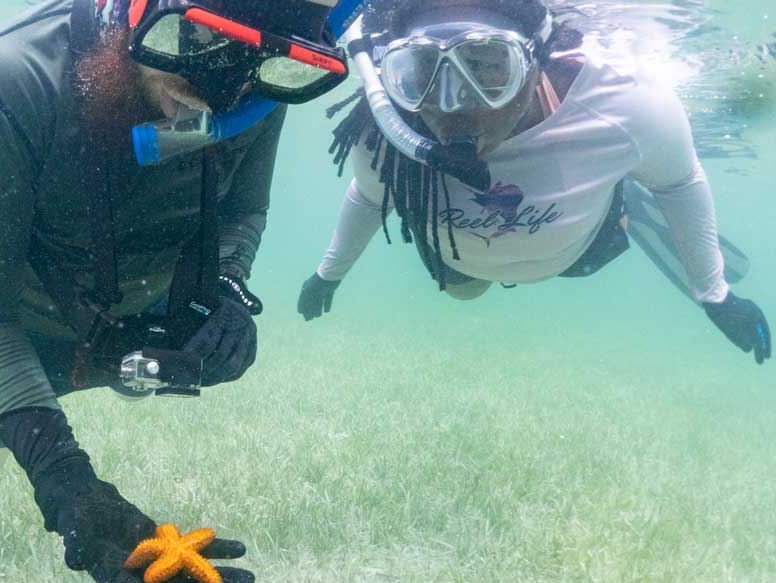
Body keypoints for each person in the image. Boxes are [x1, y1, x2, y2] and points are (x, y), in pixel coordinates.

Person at [0, 1, 360, 583]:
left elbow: (243, 208)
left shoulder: (254, 78)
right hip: (28, 325)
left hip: (145, 312)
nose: (218, 100)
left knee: (138, 384)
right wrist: (66, 484)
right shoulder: (4, 83)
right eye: (194, 40)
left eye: (261, 65)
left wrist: (224, 282)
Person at [297, 0, 771, 365]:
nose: (453, 105)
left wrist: (714, 291)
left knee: (604, 237)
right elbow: (368, 196)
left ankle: (625, 201)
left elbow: (679, 182)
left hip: (581, 251)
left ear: (538, 60)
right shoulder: (383, 133)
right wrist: (328, 274)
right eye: (419, 72)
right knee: (464, 292)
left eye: (487, 67)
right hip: (468, 262)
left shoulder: (624, 102)